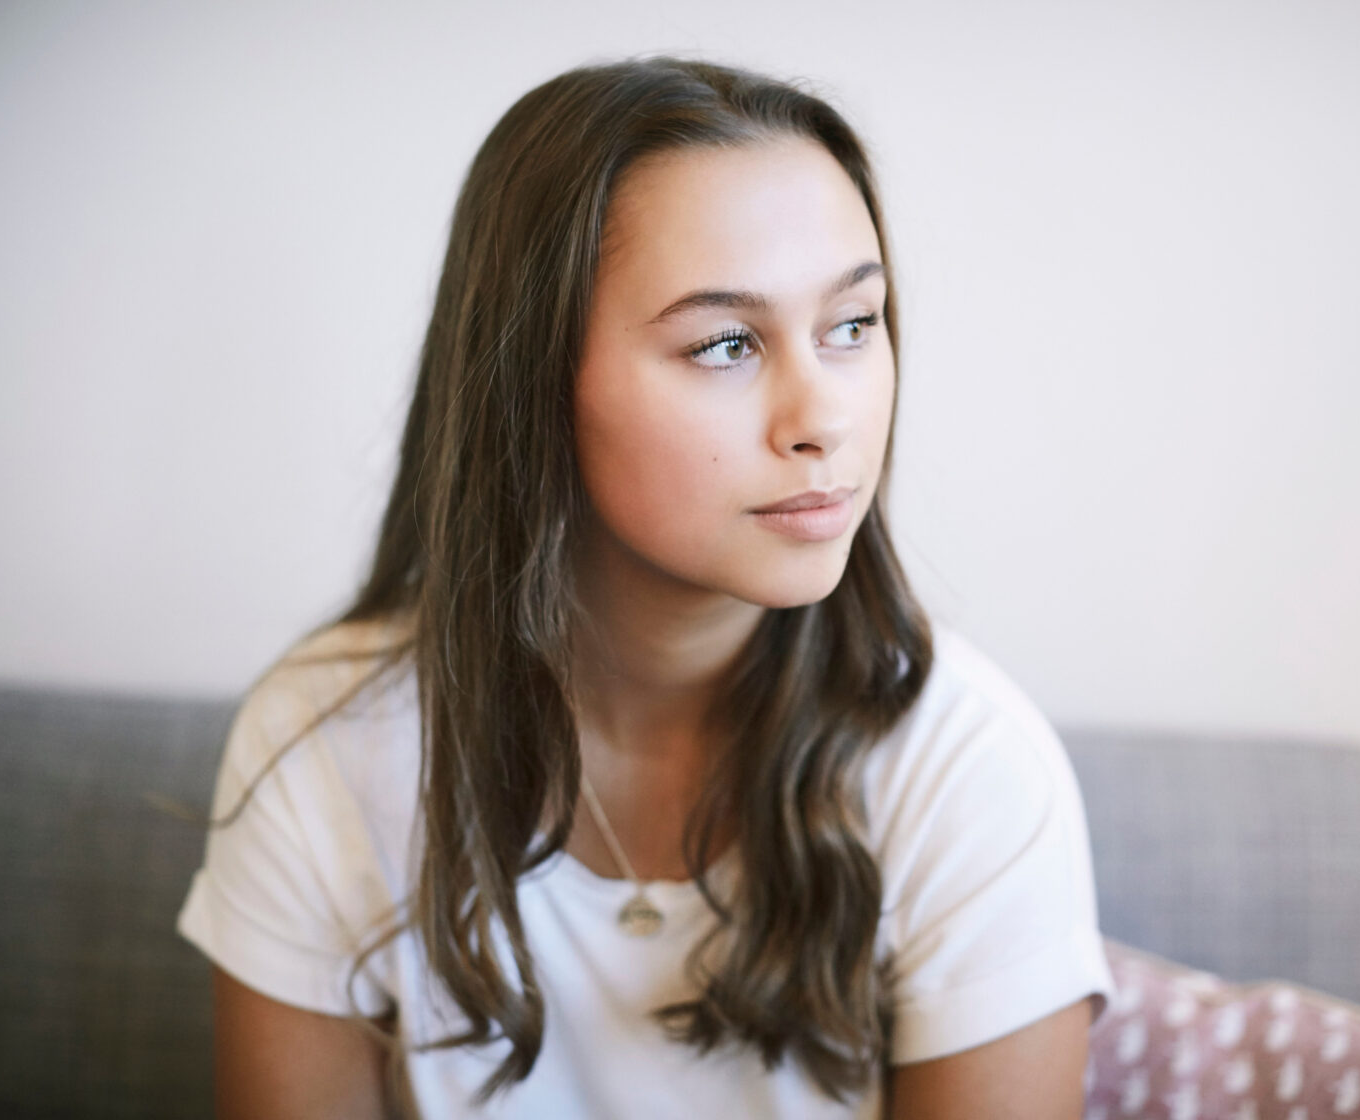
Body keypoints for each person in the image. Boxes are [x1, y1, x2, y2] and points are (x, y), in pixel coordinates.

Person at [176, 55, 1117, 1119]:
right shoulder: (329, 744)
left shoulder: (967, 768)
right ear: (535, 379)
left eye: (852, 324)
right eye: (726, 343)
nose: (824, 417)